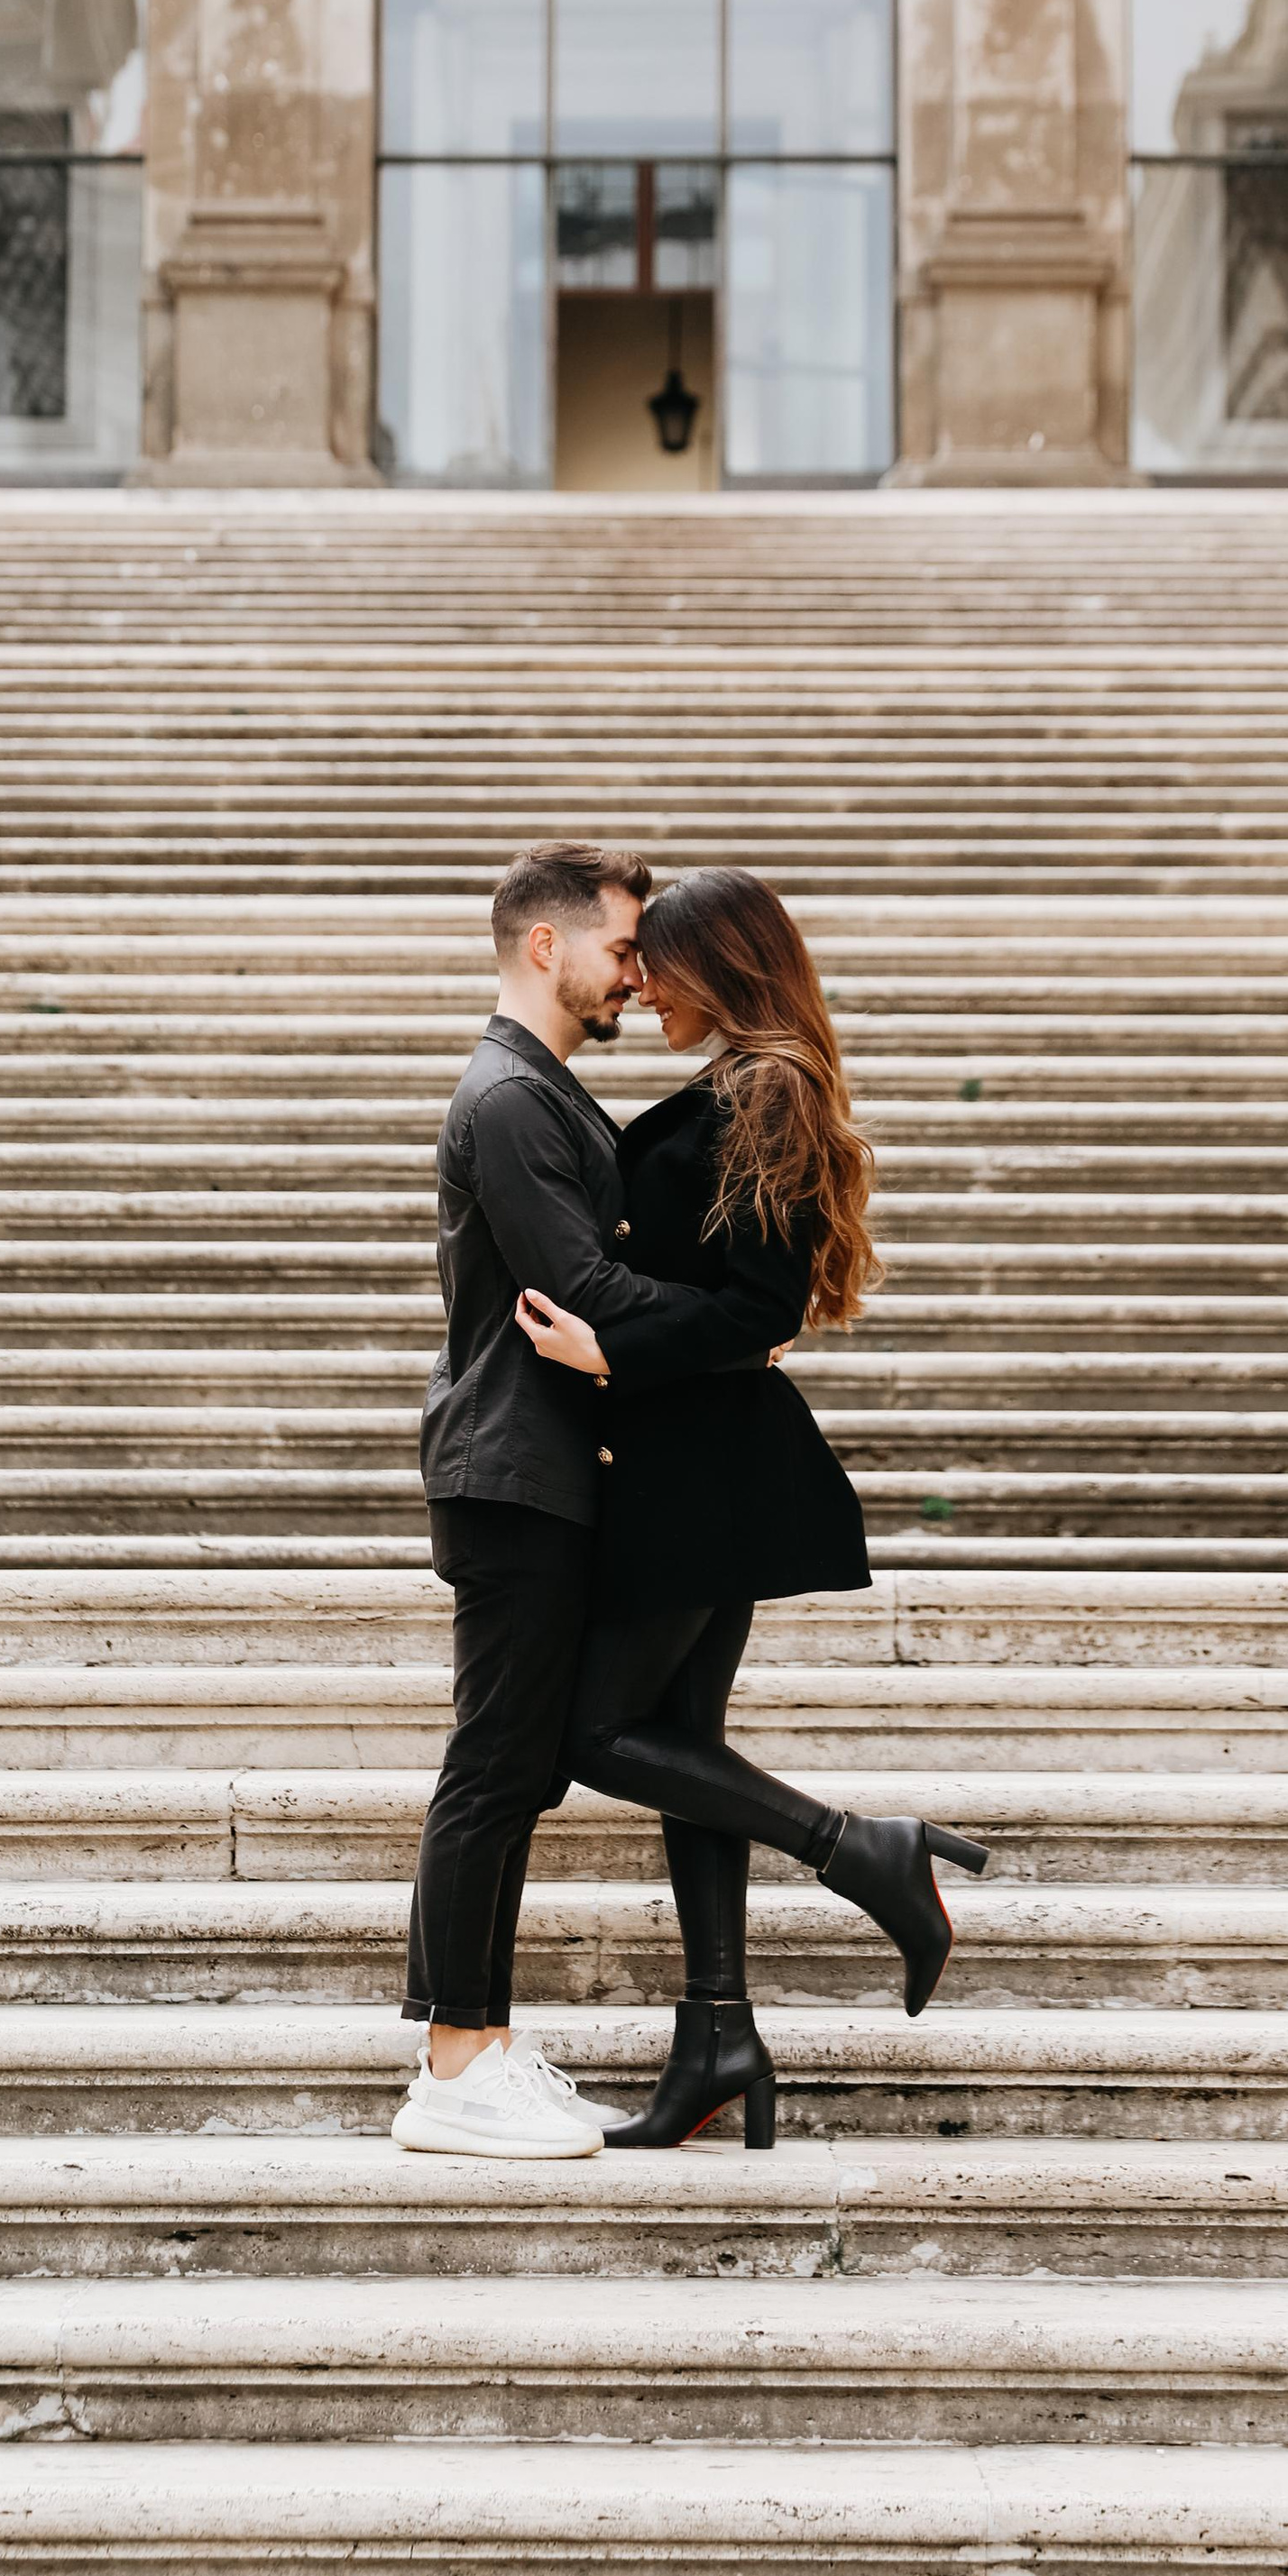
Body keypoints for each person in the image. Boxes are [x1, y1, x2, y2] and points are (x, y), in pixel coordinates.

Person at [513, 866, 988, 2151]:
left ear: (720, 966)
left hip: (704, 1464)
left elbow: (761, 1307)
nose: (641, 985)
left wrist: (614, 1351)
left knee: (594, 1737)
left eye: (659, 965)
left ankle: (864, 1851)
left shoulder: (764, 1090)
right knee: (683, 1749)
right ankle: (718, 2033)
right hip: (695, 1455)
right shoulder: (744, 1085)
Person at [392, 839, 772, 2162]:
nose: (636, 974)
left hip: (554, 1472)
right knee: (494, 1767)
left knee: (513, 1772)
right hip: (514, 1472)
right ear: (543, 947)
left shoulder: (545, 1094)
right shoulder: (508, 1100)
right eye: (621, 948)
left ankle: (479, 2043)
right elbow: (580, 1294)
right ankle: (452, 2065)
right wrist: (734, 1328)